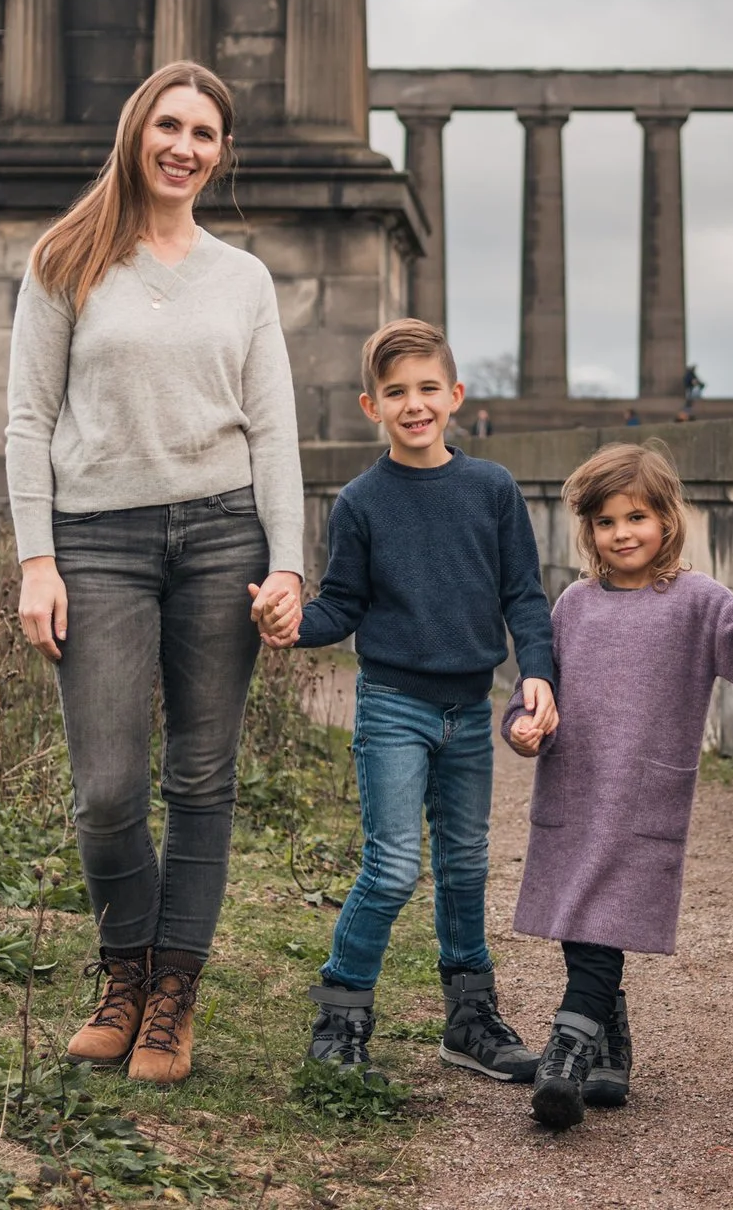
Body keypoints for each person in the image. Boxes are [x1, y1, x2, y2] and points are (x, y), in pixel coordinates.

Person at [7, 62, 308, 1084]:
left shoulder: (243, 279)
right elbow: (27, 420)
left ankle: (172, 997)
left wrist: (290, 565)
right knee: (105, 787)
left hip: (223, 537)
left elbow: (273, 429)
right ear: (138, 132)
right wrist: (36, 558)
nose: (186, 147)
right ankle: (121, 975)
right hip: (97, 543)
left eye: (206, 134)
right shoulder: (66, 260)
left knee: (202, 779)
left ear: (222, 154)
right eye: (170, 126)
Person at [261, 318, 557, 1086]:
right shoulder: (361, 502)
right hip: (393, 705)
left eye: (428, 388)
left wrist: (540, 672)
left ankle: (470, 1021)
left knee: (464, 865)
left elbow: (525, 595)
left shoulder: (491, 489)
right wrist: (291, 620)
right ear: (372, 405)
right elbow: (342, 606)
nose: (414, 404)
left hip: (467, 711)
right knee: (392, 868)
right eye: (397, 392)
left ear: (455, 396)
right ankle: (341, 1015)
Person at [501, 442, 733, 1130]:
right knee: (583, 921)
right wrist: (525, 726)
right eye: (607, 522)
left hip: (642, 797)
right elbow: (533, 694)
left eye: (637, 516)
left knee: (601, 917)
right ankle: (610, 1056)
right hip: (573, 792)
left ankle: (566, 1049)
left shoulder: (696, 600)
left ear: (667, 519)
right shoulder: (573, 606)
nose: (623, 533)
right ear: (589, 532)